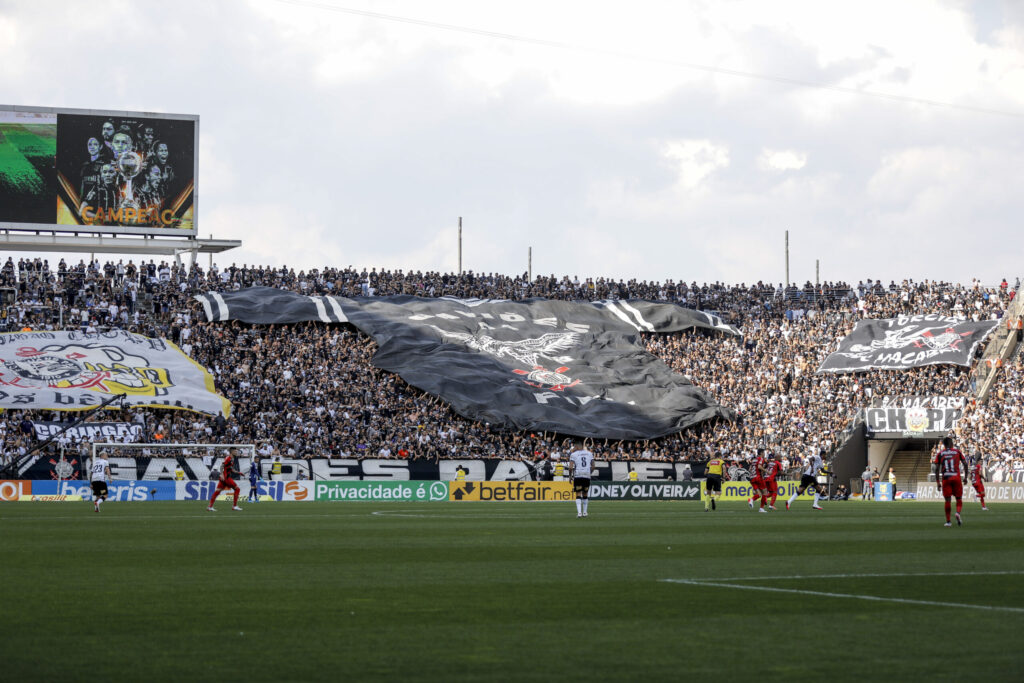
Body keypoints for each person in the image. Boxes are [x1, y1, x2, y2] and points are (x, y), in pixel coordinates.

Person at [933, 436, 969, 527]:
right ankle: (957, 513)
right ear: (952, 444)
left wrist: (938, 482)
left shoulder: (940, 454)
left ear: (944, 445)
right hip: (956, 477)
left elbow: (936, 469)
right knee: (959, 498)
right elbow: (965, 464)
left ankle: (948, 521)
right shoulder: (957, 452)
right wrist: (965, 477)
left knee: (947, 500)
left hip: (946, 478)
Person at [568, 439, 594, 518]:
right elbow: (593, 466)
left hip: (578, 475)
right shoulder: (589, 453)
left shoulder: (573, 454)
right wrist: (589, 473)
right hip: (586, 475)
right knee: (585, 493)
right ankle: (585, 513)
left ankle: (579, 513)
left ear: (576, 446)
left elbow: (570, 467)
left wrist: (570, 476)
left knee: (578, 493)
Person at [747, 448, 769, 513]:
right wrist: (766, 471)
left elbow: (750, 469)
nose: (764, 454)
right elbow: (759, 467)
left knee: (759, 494)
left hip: (752, 478)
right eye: (764, 452)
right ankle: (761, 509)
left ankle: (751, 500)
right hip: (757, 477)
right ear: (761, 453)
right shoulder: (760, 459)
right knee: (765, 492)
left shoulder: (754, 460)